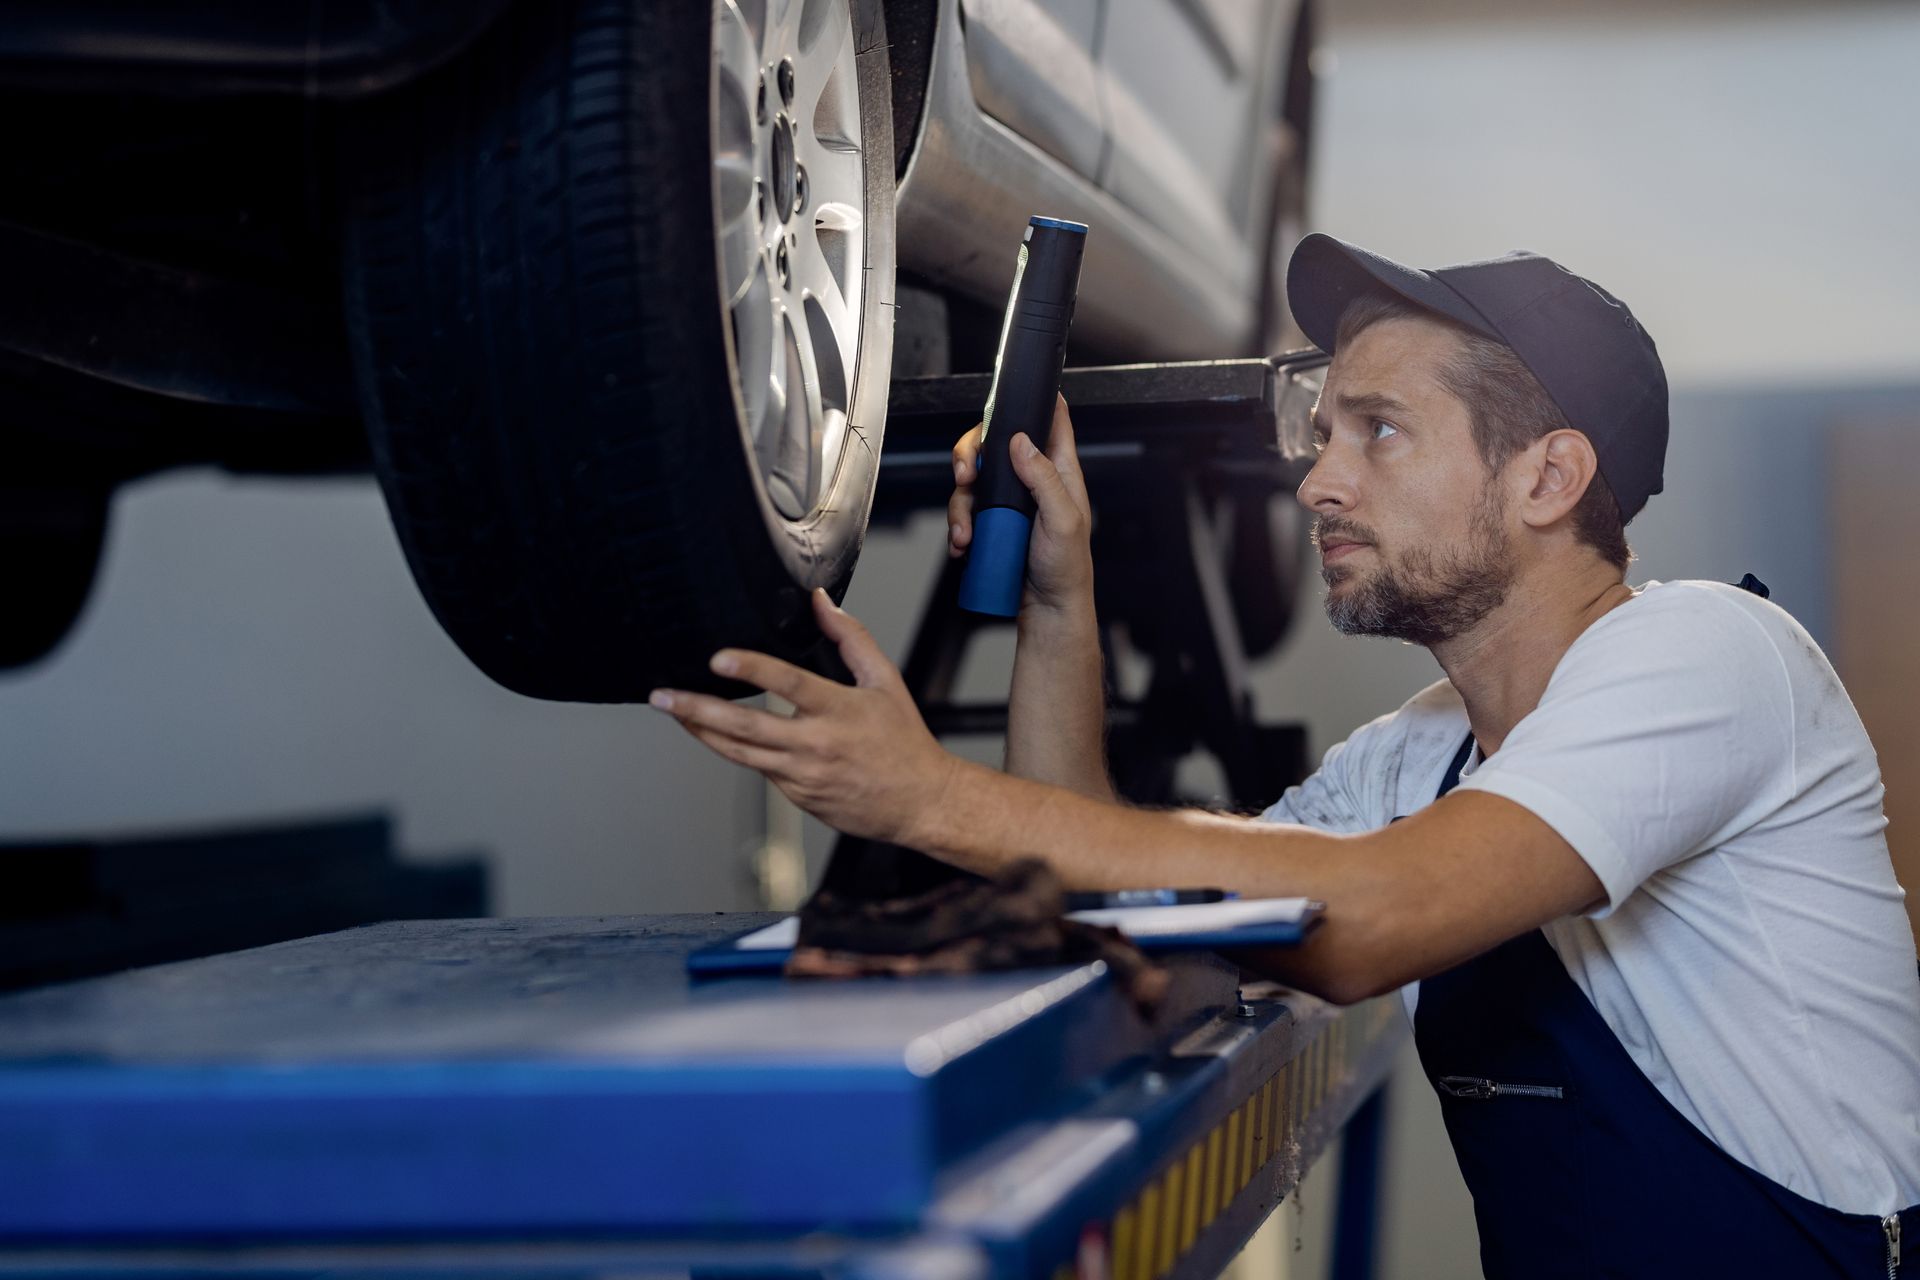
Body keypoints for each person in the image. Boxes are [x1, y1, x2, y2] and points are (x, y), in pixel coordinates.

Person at [651, 233, 1919, 1276]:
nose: (1317, 479)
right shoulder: (1418, 762)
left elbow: (1366, 915)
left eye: (1377, 431)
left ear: (1548, 477)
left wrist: (930, 792)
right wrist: (1061, 589)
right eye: (1320, 432)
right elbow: (1127, 865)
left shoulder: (1713, 655)